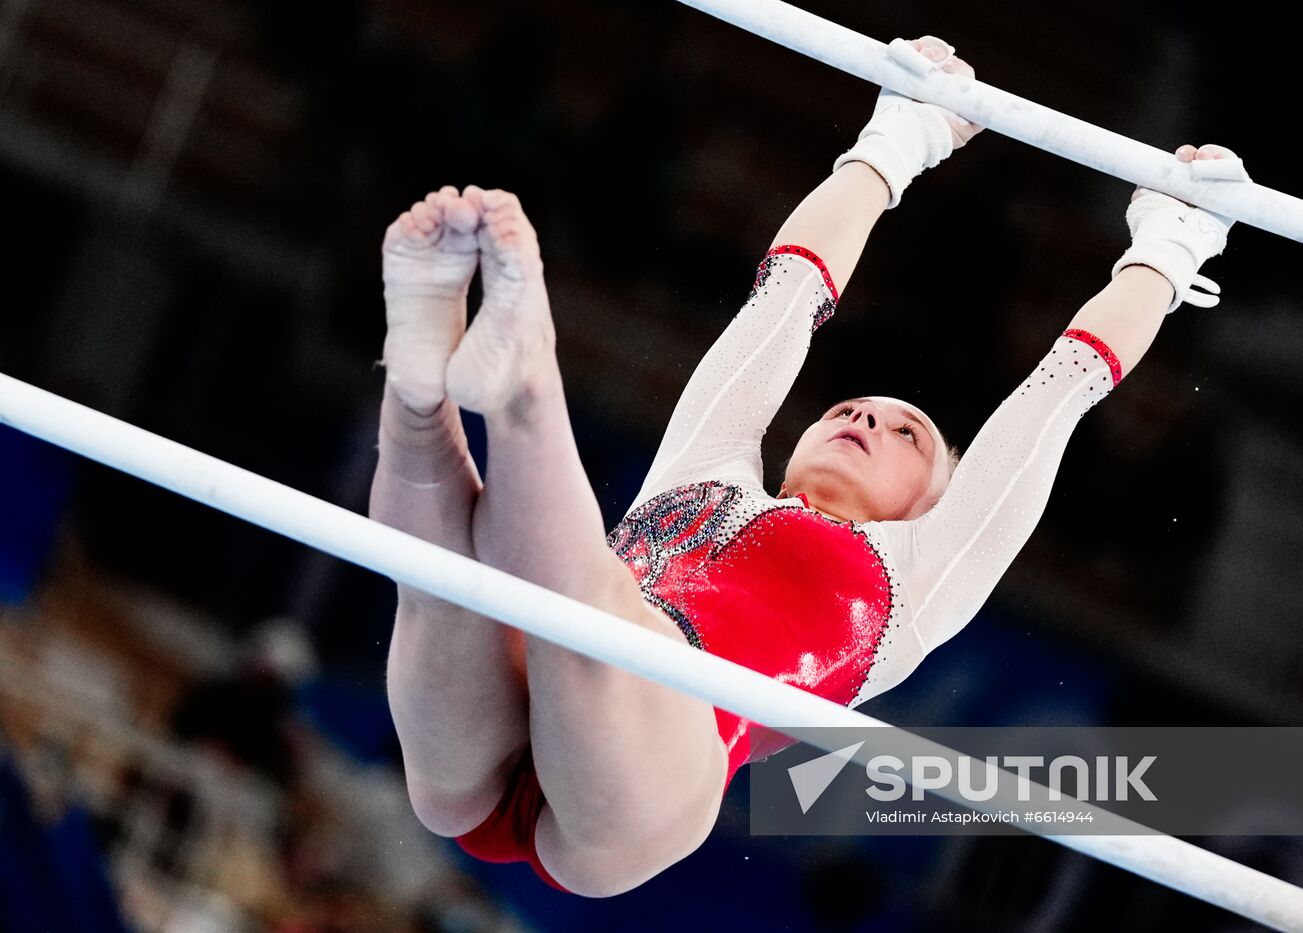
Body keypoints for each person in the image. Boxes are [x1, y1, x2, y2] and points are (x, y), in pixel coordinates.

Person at [368, 36, 1236, 897]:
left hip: (647, 777)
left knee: (588, 604)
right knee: (441, 587)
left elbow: (1060, 390)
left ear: (929, 505)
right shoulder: (710, 472)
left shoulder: (917, 577)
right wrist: (895, 142)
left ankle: (524, 385)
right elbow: (787, 292)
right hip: (501, 707)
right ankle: (416, 394)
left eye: (907, 435)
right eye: (848, 409)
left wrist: (1168, 250)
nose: (866, 416)